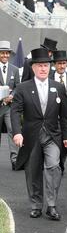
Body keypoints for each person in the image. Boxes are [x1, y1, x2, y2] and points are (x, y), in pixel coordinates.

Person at [11, 48, 67, 220]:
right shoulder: (23, 88)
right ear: (33, 68)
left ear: (49, 67)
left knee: (53, 166)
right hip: (31, 136)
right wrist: (17, 133)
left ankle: (51, 205)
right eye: (40, 66)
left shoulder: (58, 87)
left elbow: (66, 116)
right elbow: (15, 112)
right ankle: (36, 205)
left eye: (46, 65)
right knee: (33, 170)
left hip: (53, 135)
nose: (43, 69)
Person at [50, 50, 67, 174]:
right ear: (54, 64)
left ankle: (60, 163)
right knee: (54, 142)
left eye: (63, 63)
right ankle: (56, 165)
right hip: (52, 117)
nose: (62, 66)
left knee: (65, 142)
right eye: (59, 63)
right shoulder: (48, 78)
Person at [0, 41, 19, 171]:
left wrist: (12, 96)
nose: (5, 55)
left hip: (9, 107)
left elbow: (18, 86)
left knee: (12, 131)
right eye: (2, 53)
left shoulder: (15, 69)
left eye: (7, 53)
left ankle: (15, 160)